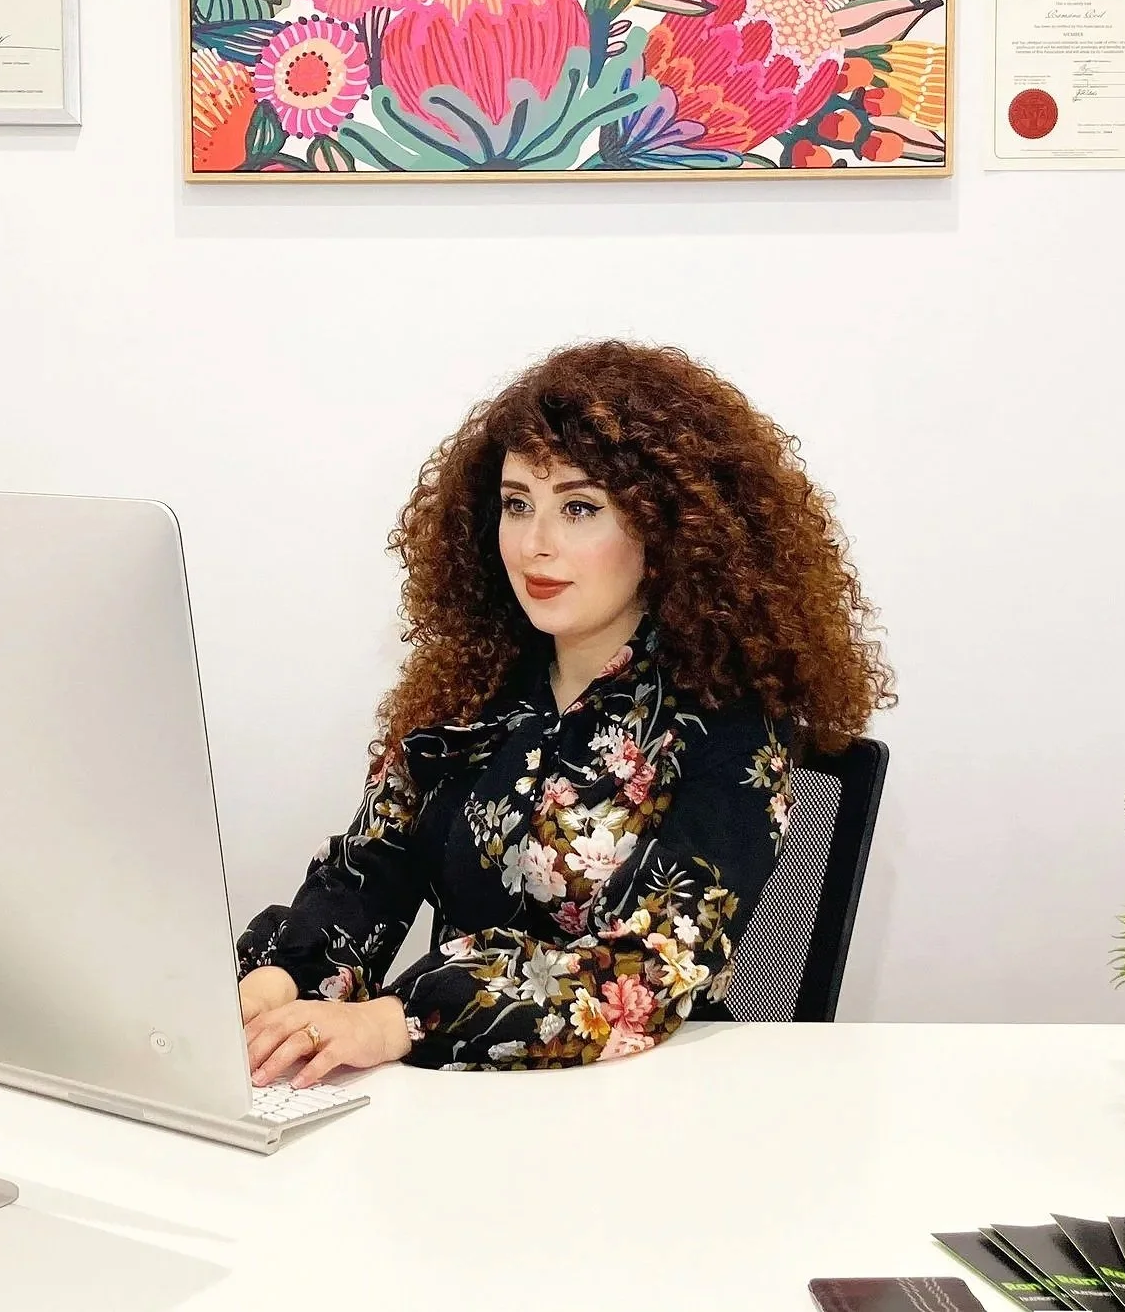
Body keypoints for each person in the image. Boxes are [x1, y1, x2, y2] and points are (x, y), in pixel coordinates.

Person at [236, 341, 892, 1084]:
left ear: (664, 529)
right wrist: (275, 987)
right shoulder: (471, 693)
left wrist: (396, 1019)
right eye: (517, 505)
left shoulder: (727, 725)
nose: (534, 545)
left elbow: (646, 968)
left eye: (579, 509)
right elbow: (368, 874)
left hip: (642, 1105)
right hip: (457, 1108)